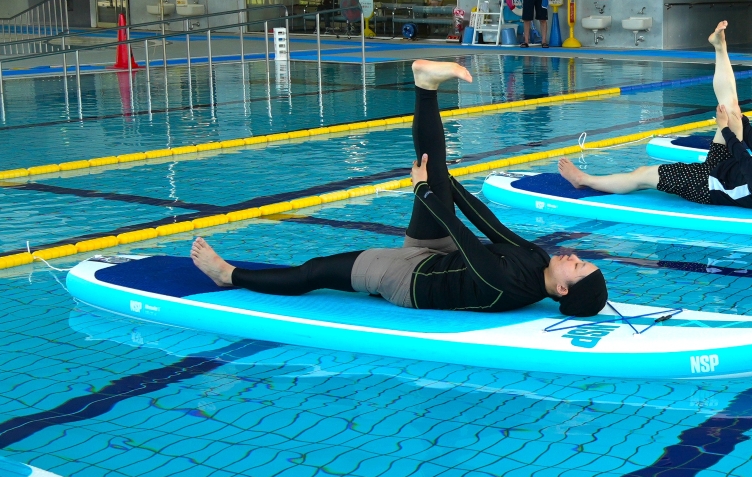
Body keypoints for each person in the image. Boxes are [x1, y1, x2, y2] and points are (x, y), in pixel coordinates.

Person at [192, 61, 608, 315]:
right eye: (581, 261)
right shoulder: (537, 259)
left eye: (578, 267)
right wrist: (448, 183)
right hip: (444, 254)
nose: (574, 257)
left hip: (409, 279)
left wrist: (424, 191)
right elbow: (490, 226)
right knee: (435, 166)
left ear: (562, 289)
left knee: (315, 271)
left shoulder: (508, 284)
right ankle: (425, 85)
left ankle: (228, 275)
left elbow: (467, 239)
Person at [557, 21, 752, 211]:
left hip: (708, 183)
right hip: (727, 166)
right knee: (731, 106)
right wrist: (742, 122)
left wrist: (727, 129)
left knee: (642, 175)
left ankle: (584, 180)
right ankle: (720, 47)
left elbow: (748, 162)